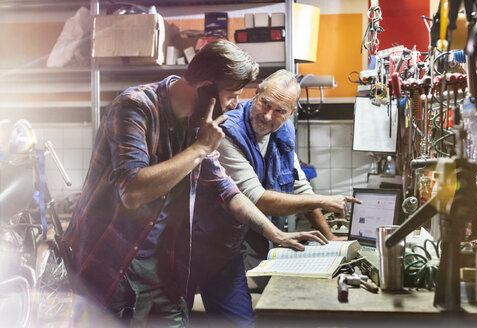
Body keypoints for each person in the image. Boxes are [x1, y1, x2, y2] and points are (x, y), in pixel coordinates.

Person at [62, 41, 327, 327]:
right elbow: (133, 191)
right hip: (110, 263)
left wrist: (277, 235)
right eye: (232, 94)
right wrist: (199, 149)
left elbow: (226, 190)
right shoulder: (135, 106)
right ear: (206, 86)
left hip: (163, 266)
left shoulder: (198, 124)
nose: (235, 104)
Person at [189, 69, 361, 326]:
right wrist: (324, 200)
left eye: (279, 111)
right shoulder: (227, 131)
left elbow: (299, 185)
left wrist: (330, 238)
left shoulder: (283, 131)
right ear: (256, 93)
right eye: (265, 104)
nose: (268, 115)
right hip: (208, 245)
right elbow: (257, 198)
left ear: (291, 113)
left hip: (240, 247)